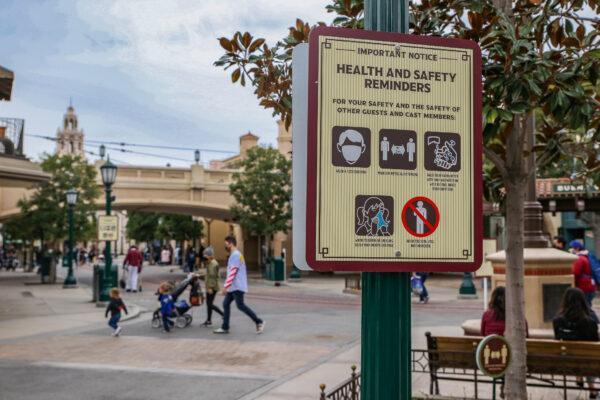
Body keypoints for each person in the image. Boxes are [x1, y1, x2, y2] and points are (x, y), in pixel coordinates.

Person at [553, 287, 599, 398]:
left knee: (579, 355)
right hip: (588, 360)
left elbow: (558, 338)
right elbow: (595, 342)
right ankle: (592, 389)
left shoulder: (557, 321)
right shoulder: (590, 321)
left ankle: (579, 375)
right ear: (583, 301)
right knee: (588, 355)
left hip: (567, 361)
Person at [214, 236, 264, 334]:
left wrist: (225, 287)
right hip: (234, 287)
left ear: (231, 244)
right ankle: (225, 327)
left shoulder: (236, 255)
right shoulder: (235, 255)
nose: (225, 247)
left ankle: (259, 321)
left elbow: (233, 272)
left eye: (226, 244)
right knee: (226, 304)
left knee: (240, 306)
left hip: (237, 286)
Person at [570, 240, 597, 307]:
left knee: (585, 308)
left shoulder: (579, 259)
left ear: (577, 248)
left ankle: (593, 318)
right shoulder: (586, 256)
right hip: (589, 286)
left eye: (572, 248)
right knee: (587, 307)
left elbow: (575, 273)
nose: (571, 250)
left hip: (583, 287)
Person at [202, 247, 224, 326]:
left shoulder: (213, 264)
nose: (205, 257)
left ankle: (223, 314)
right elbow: (208, 275)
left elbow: (213, 276)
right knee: (209, 303)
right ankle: (208, 320)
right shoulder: (210, 262)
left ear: (210, 255)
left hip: (212, 287)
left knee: (209, 304)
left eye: (206, 255)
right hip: (210, 286)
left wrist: (210, 287)